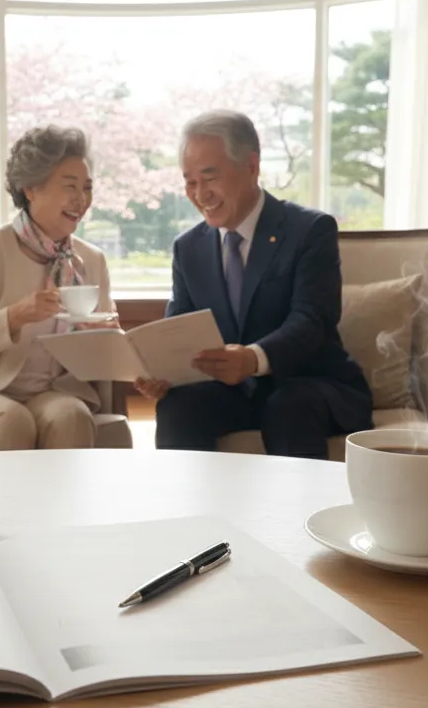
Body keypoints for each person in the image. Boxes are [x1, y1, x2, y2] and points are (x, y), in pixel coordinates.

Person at [135, 109, 373, 459]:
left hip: (309, 384)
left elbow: (312, 320)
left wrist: (254, 359)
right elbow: (180, 329)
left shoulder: (309, 230)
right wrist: (162, 372)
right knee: (178, 405)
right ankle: (186, 510)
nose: (201, 194)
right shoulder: (188, 248)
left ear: (251, 166)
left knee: (289, 405)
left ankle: (296, 514)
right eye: (190, 182)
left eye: (209, 177)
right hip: (232, 393)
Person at [0, 125, 116, 451]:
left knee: (71, 414)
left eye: (87, 187)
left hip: (54, 389)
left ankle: (63, 505)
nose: (81, 200)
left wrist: (106, 338)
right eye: (69, 186)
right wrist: (14, 316)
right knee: (10, 420)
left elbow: (103, 357)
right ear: (31, 189)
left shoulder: (91, 260)